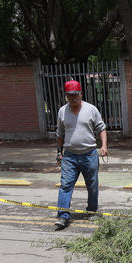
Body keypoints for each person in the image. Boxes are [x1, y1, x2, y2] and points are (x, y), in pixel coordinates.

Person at [54, 79, 108, 230]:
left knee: (92, 185)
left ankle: (91, 210)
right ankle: (63, 216)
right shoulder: (62, 111)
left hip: (89, 155)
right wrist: (59, 152)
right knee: (65, 185)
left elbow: (101, 128)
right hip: (70, 156)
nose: (72, 98)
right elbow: (60, 133)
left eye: (75, 95)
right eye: (69, 96)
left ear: (80, 94)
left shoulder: (91, 110)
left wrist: (103, 145)